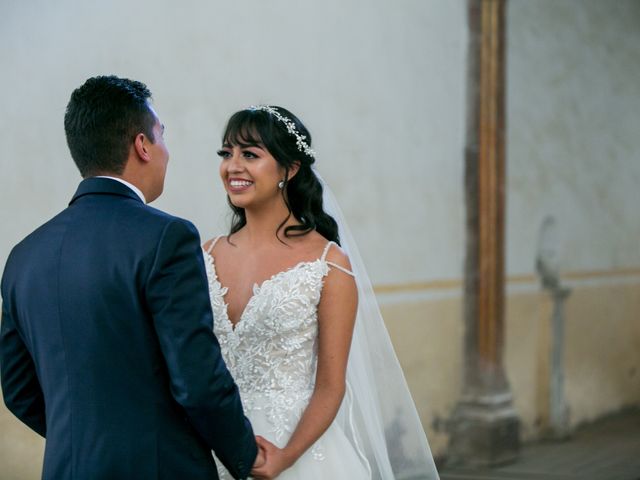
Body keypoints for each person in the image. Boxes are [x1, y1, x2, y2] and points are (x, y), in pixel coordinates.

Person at [0, 75, 262, 480]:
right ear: (142, 145)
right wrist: (245, 456)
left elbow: (17, 389)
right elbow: (197, 380)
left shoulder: (23, 256)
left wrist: (86, 439)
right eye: (162, 136)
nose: (166, 152)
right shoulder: (165, 237)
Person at [203, 105, 439, 479]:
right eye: (226, 153)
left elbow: (331, 387)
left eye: (250, 154)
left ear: (290, 169)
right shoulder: (205, 255)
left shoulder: (328, 265)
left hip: (296, 453)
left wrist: (284, 457)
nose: (233, 166)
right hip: (213, 445)